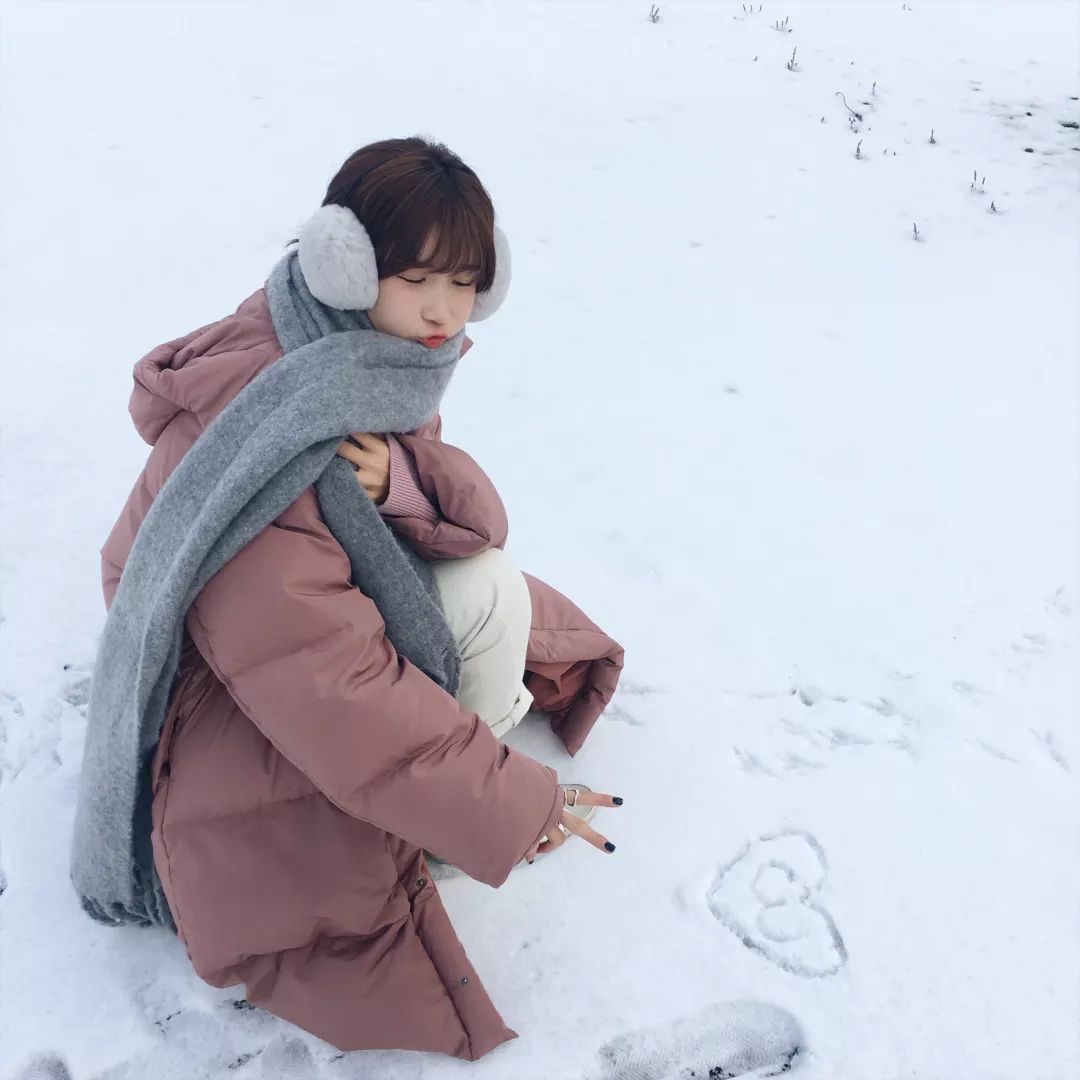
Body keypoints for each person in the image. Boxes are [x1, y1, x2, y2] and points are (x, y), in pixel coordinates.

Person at [92, 137, 625, 1060]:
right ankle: (439, 832)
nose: (445, 310)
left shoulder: (348, 356)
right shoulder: (283, 414)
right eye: (418, 279)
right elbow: (325, 681)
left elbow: (472, 522)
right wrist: (508, 802)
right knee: (465, 623)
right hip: (218, 675)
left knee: (488, 589)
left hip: (289, 622)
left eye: (465, 284)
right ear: (346, 260)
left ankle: (445, 788)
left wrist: (402, 485)